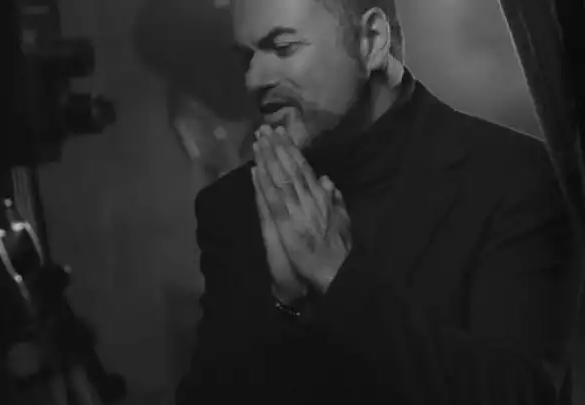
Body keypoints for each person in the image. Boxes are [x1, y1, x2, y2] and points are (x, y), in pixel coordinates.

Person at [175, 0, 583, 404]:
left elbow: (520, 395)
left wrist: (338, 278)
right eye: (245, 57)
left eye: (283, 47)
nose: (254, 79)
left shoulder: (513, 178)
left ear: (371, 41)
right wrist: (286, 303)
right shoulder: (230, 208)